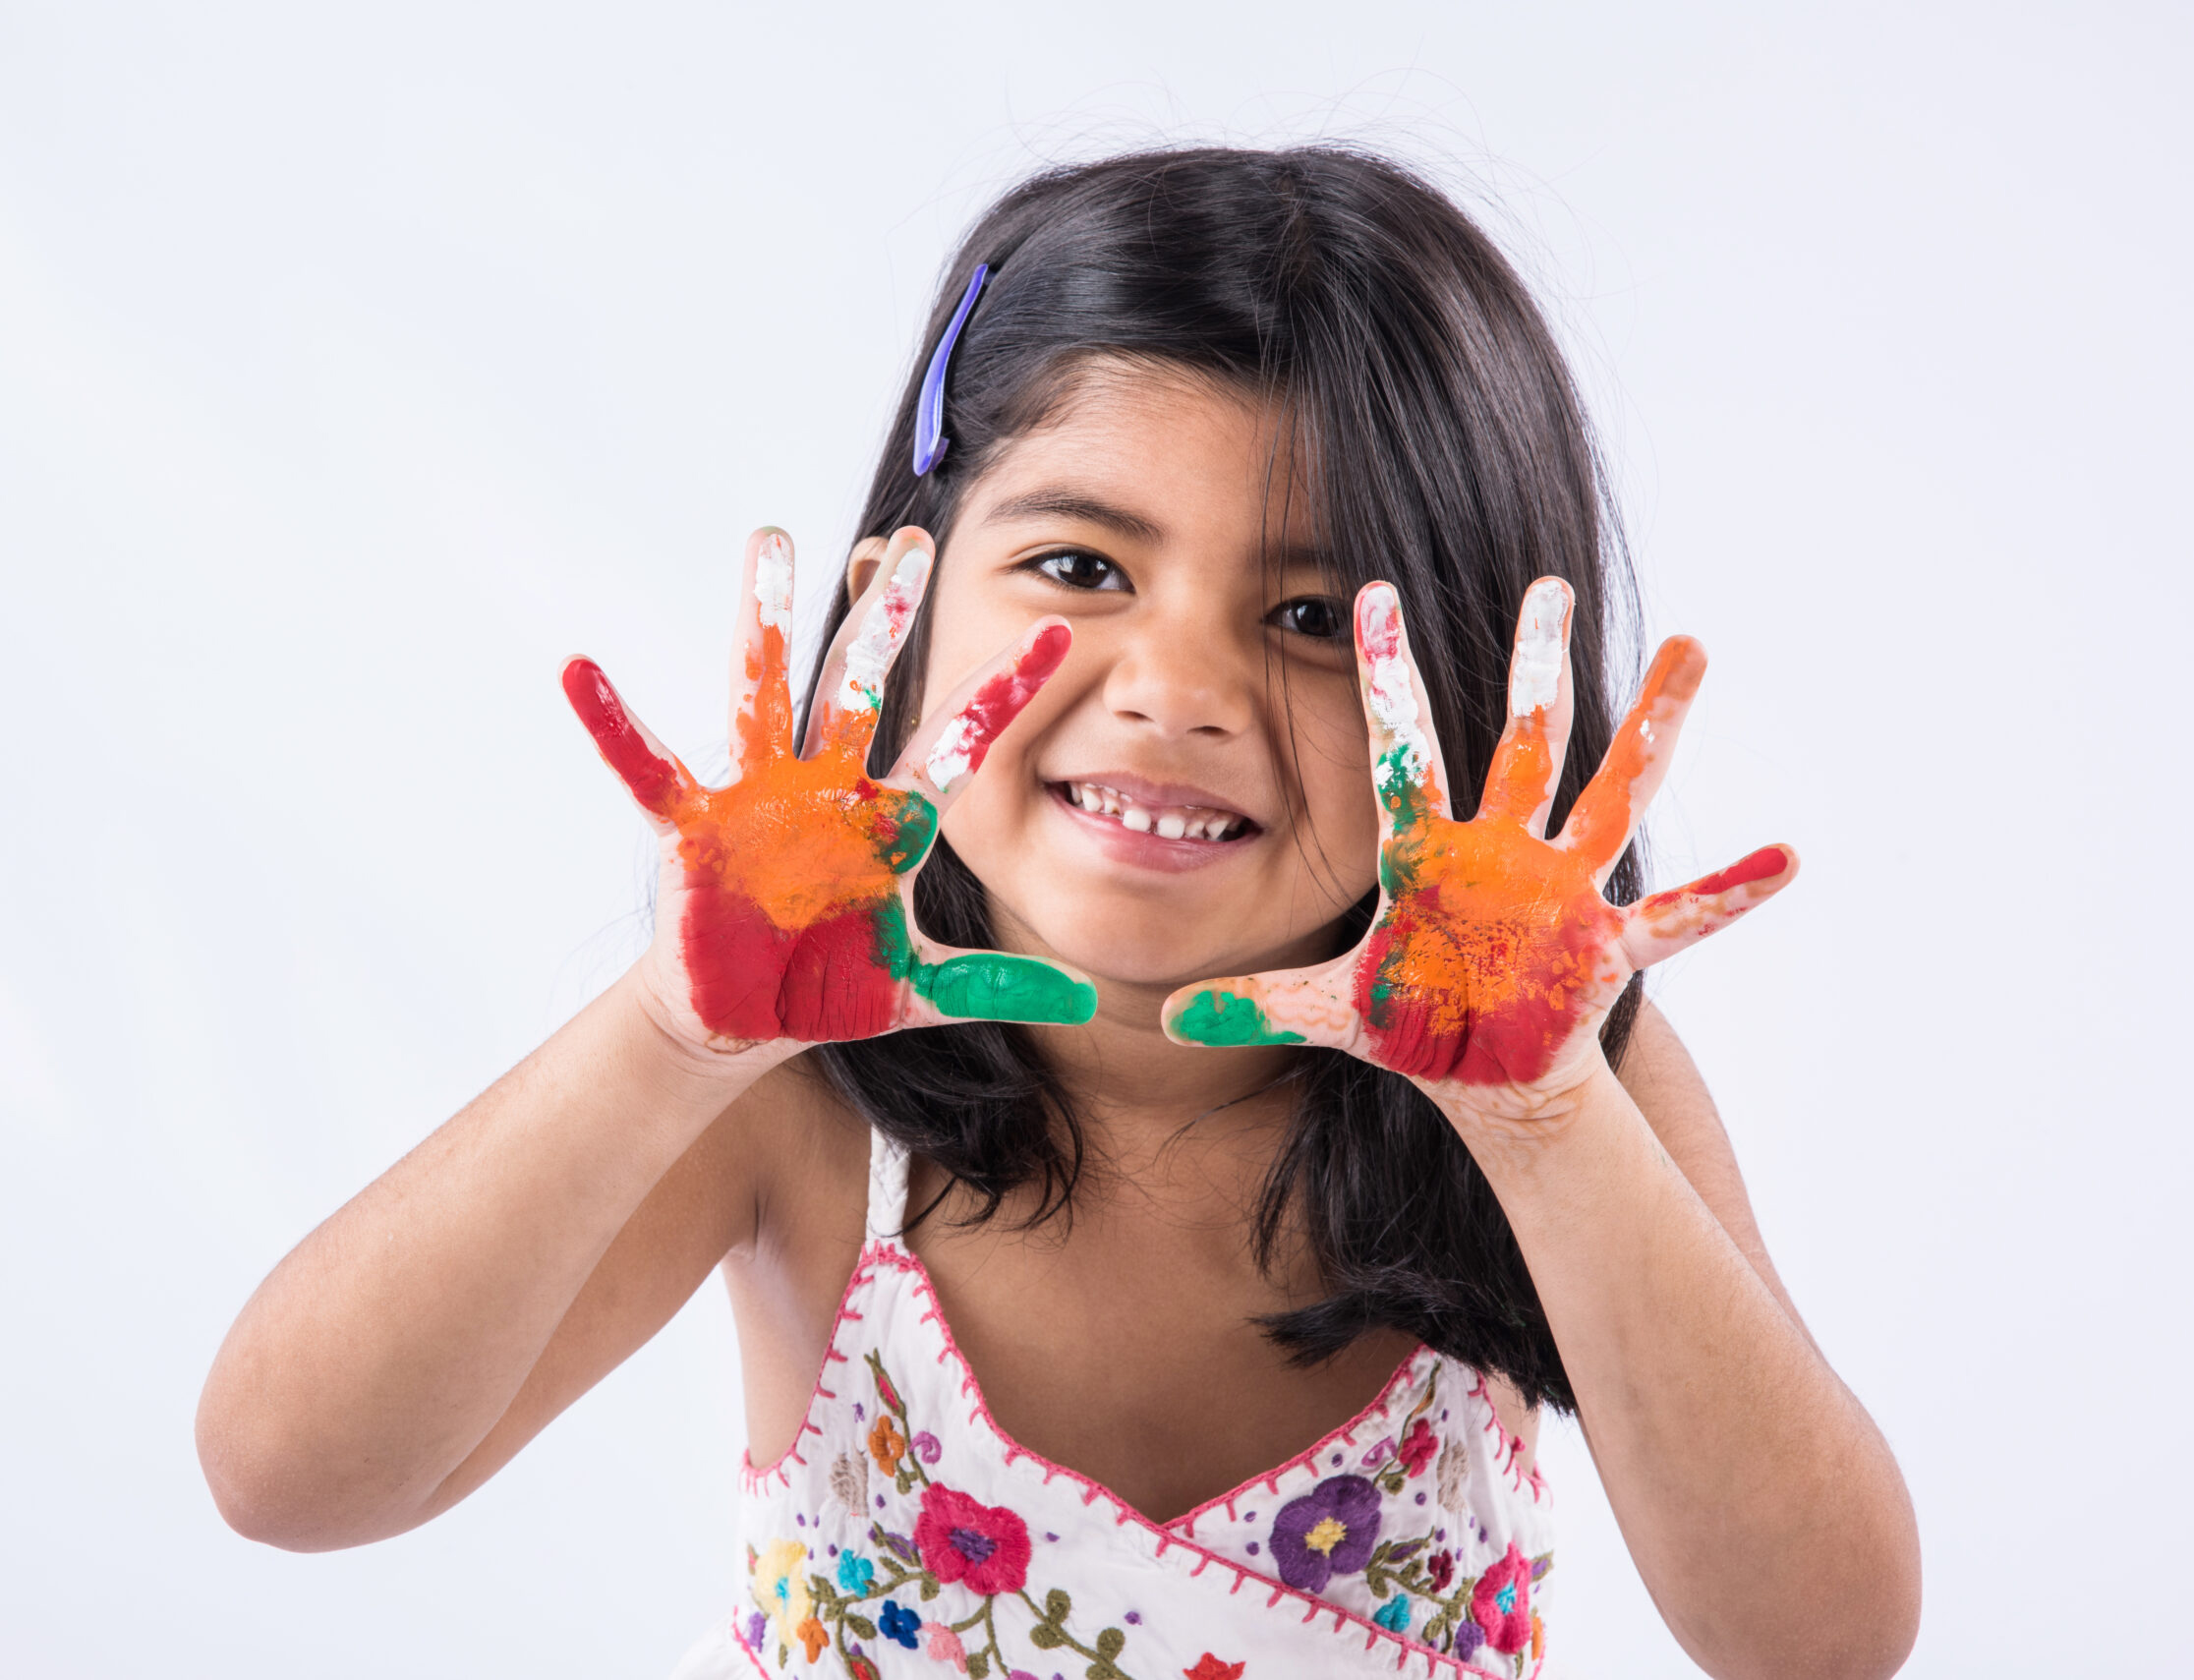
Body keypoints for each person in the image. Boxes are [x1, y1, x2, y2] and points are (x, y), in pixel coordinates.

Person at [196, 147, 1920, 1679]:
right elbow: (288, 1473)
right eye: (1084, 567)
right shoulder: (803, 1098)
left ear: (1466, 689)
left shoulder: (1543, 1083)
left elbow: (1821, 1643)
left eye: (1317, 614)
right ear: (909, 589)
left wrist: (1544, 1122)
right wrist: (668, 1035)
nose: (1174, 687)